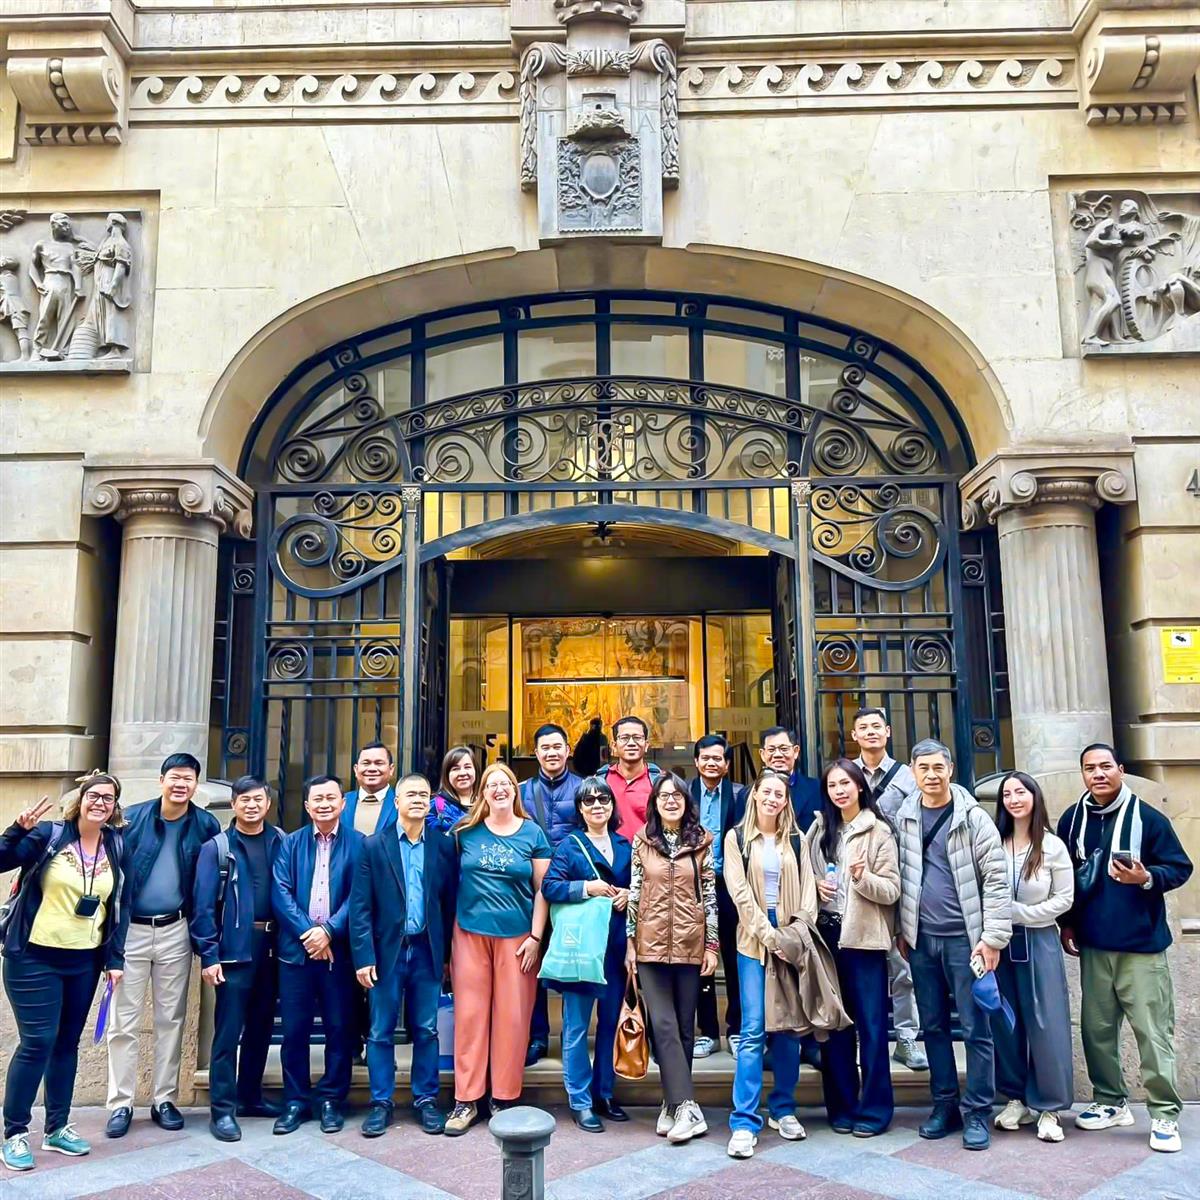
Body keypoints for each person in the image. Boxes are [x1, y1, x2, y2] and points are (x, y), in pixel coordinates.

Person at [1057, 743, 1193, 1154]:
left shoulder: (1149, 819)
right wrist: (1067, 923)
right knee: (1097, 1031)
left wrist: (1146, 877)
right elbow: (1066, 877)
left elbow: (1180, 867)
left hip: (1141, 947)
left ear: (1120, 769)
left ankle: (1164, 1113)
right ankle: (1110, 1101)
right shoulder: (1072, 819)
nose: (1098, 774)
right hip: (1094, 945)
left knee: (1153, 1033)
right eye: (1089, 768)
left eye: (1105, 766)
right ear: (1083, 774)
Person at [1, 774, 128, 1173]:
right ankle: (15, 1132)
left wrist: (115, 960)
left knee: (66, 1044)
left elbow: (120, 905)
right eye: (94, 795)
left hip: (84, 962)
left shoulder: (116, 844)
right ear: (80, 799)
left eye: (108, 798)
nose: (100, 803)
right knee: (38, 1041)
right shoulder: (48, 835)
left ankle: (56, 1127)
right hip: (33, 958)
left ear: (115, 807)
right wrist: (15, 830)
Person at [895, 739, 1010, 1151]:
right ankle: (944, 1105)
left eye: (937, 767)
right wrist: (902, 930)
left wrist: (992, 938)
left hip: (967, 941)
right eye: (923, 768)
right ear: (912, 771)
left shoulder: (973, 818)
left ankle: (977, 1111)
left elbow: (996, 881)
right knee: (934, 1027)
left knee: (976, 1029)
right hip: (921, 941)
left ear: (951, 769)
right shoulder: (904, 817)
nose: (931, 775)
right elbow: (901, 876)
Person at [106, 752, 219, 1139]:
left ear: (196, 785)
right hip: (132, 932)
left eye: (188, 778)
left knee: (171, 1019)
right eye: (175, 777)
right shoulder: (132, 819)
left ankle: (164, 1099)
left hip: (176, 929)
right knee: (123, 1021)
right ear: (161, 780)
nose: (181, 784)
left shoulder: (204, 824)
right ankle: (120, 1103)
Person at [445, 763, 552, 1136]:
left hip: (518, 938)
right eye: (492, 784)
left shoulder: (533, 833)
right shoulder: (464, 833)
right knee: (470, 1017)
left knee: (512, 1018)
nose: (499, 788)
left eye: (506, 783)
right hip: (469, 933)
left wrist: (536, 938)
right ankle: (466, 1099)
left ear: (515, 791)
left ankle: (504, 1098)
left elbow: (543, 890)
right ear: (483, 793)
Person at [350, 773, 458, 1137]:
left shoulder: (443, 845)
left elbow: (448, 903)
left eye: (424, 795)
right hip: (386, 952)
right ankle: (381, 1102)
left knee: (426, 1029)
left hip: (427, 950)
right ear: (396, 801)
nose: (418, 799)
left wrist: (447, 955)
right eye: (410, 794)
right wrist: (364, 956)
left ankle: (425, 1100)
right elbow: (360, 907)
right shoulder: (373, 845)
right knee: (380, 1030)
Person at [722, 769, 813, 1160]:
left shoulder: (797, 838)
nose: (773, 798)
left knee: (789, 1028)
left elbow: (809, 891)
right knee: (753, 1028)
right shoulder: (736, 839)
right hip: (753, 942)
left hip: (791, 939)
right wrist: (769, 935)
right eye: (768, 792)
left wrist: (795, 933)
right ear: (755, 795)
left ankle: (783, 1108)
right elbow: (739, 894)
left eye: (780, 793)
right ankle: (744, 1121)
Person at [808, 759, 899, 1138]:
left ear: (860, 785)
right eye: (832, 786)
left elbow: (892, 890)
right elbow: (803, 878)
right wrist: (815, 886)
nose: (839, 791)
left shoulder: (879, 831)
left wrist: (863, 879)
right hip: (827, 938)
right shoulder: (819, 830)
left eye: (845, 783)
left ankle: (875, 1110)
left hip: (864, 942)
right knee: (834, 1026)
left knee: (872, 1029)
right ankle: (842, 1106)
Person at [191, 775, 284, 1143]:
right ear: (233, 805)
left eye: (258, 799)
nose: (251, 805)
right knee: (228, 1032)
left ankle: (250, 1097)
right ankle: (223, 1109)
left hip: (272, 948)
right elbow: (202, 908)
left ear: (268, 803)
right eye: (244, 799)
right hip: (233, 950)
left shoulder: (281, 841)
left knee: (261, 1027)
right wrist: (209, 955)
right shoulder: (217, 848)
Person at [625, 772, 717, 1145]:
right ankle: (688, 1107)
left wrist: (712, 945)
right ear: (655, 803)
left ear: (686, 802)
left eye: (677, 795)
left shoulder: (702, 841)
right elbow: (634, 891)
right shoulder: (643, 840)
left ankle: (673, 1103)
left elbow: (709, 895)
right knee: (662, 1024)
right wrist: (630, 943)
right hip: (649, 943)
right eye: (663, 796)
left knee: (683, 1028)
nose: (670, 801)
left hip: (690, 942)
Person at [271, 776, 364, 1136]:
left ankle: (331, 1100)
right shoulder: (290, 843)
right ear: (307, 806)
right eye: (317, 799)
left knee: (340, 1030)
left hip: (338, 954)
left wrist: (329, 931)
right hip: (296, 954)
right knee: (294, 1031)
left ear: (343, 803)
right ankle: (295, 1100)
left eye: (331, 798)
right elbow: (280, 892)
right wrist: (309, 932)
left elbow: (359, 896)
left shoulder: (360, 844)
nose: (324, 804)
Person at [540, 778, 632, 1132]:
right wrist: (586, 888)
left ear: (612, 805)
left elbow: (641, 887)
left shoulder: (625, 845)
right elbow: (550, 887)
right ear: (580, 808)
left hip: (615, 947)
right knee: (577, 1027)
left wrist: (629, 895)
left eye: (603, 799)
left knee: (609, 1024)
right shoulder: (569, 846)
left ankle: (604, 1092)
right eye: (589, 800)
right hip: (581, 950)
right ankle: (580, 1100)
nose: (597, 805)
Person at [991, 771, 1074, 1144]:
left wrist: (1022, 914)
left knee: (1046, 1021)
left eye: (1020, 792)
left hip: (1039, 940)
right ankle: (1016, 1098)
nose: (1014, 799)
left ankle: (1050, 1106)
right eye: (1007, 794)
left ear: (1034, 796)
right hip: (999, 943)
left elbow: (1064, 899)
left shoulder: (1051, 846)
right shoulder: (996, 843)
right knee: (1005, 1021)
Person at [849, 706, 926, 1071]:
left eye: (876, 726)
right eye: (863, 727)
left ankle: (907, 1037)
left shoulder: (908, 777)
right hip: (857, 882)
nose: (870, 732)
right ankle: (861, 1035)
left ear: (888, 731)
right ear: (854, 735)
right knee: (858, 965)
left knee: (902, 962)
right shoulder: (846, 774)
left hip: (899, 879)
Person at [520, 723, 585, 1065]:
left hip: (571, 890)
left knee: (575, 963)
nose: (552, 753)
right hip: (532, 891)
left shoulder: (584, 788)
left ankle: (573, 1035)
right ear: (536, 753)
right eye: (545, 747)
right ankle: (537, 1036)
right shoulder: (521, 792)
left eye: (557, 746)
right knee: (534, 964)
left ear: (568, 750)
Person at [690, 733, 747, 1057]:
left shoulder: (740, 795)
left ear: (726, 764)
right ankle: (708, 1032)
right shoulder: (684, 794)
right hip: (693, 887)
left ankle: (735, 1029)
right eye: (706, 758)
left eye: (718, 758)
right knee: (700, 959)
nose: (711, 763)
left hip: (730, 887)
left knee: (734, 958)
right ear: (696, 761)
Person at [592, 715, 662, 837]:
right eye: (624, 738)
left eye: (637, 738)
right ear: (614, 746)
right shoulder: (601, 780)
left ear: (646, 745)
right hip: (609, 849)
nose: (631, 743)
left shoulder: (660, 781)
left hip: (650, 848)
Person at [758, 727, 822, 834]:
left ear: (795, 752)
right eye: (771, 750)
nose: (777, 755)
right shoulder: (746, 795)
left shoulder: (817, 789)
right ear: (762, 755)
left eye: (784, 749)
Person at [343, 742, 398, 838]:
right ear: (356, 770)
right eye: (366, 763)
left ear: (391, 769)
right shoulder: (341, 802)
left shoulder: (401, 804)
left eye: (379, 763)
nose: (372, 769)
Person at [429, 746, 476, 834]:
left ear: (475, 770)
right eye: (456, 769)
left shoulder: (486, 802)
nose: (462, 773)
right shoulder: (436, 805)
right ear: (446, 774)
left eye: (467, 767)